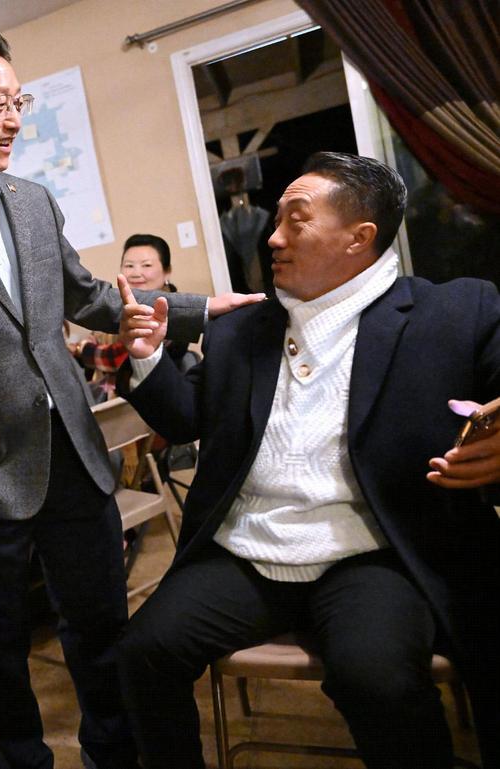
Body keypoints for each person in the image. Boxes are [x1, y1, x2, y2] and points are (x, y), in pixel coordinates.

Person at [0, 29, 260, 769]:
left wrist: (195, 309)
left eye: (19, 101)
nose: (13, 119)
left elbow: (91, 296)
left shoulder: (35, 201)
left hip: (72, 449)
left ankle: (115, 750)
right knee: (1, 648)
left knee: (102, 622)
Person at [114, 152, 500, 769]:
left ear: (359, 237)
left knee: (377, 681)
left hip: (370, 553)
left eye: (296, 220)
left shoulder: (452, 313)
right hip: (249, 552)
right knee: (141, 653)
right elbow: (188, 419)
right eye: (277, 220)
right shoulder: (245, 330)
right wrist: (147, 358)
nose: (272, 237)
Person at [70, 234, 191, 399]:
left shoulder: (170, 312)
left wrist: (82, 349)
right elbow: (97, 334)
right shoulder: (121, 304)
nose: (136, 273)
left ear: (167, 272)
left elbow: (118, 358)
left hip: (152, 400)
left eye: (146, 265)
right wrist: (87, 343)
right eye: (129, 266)